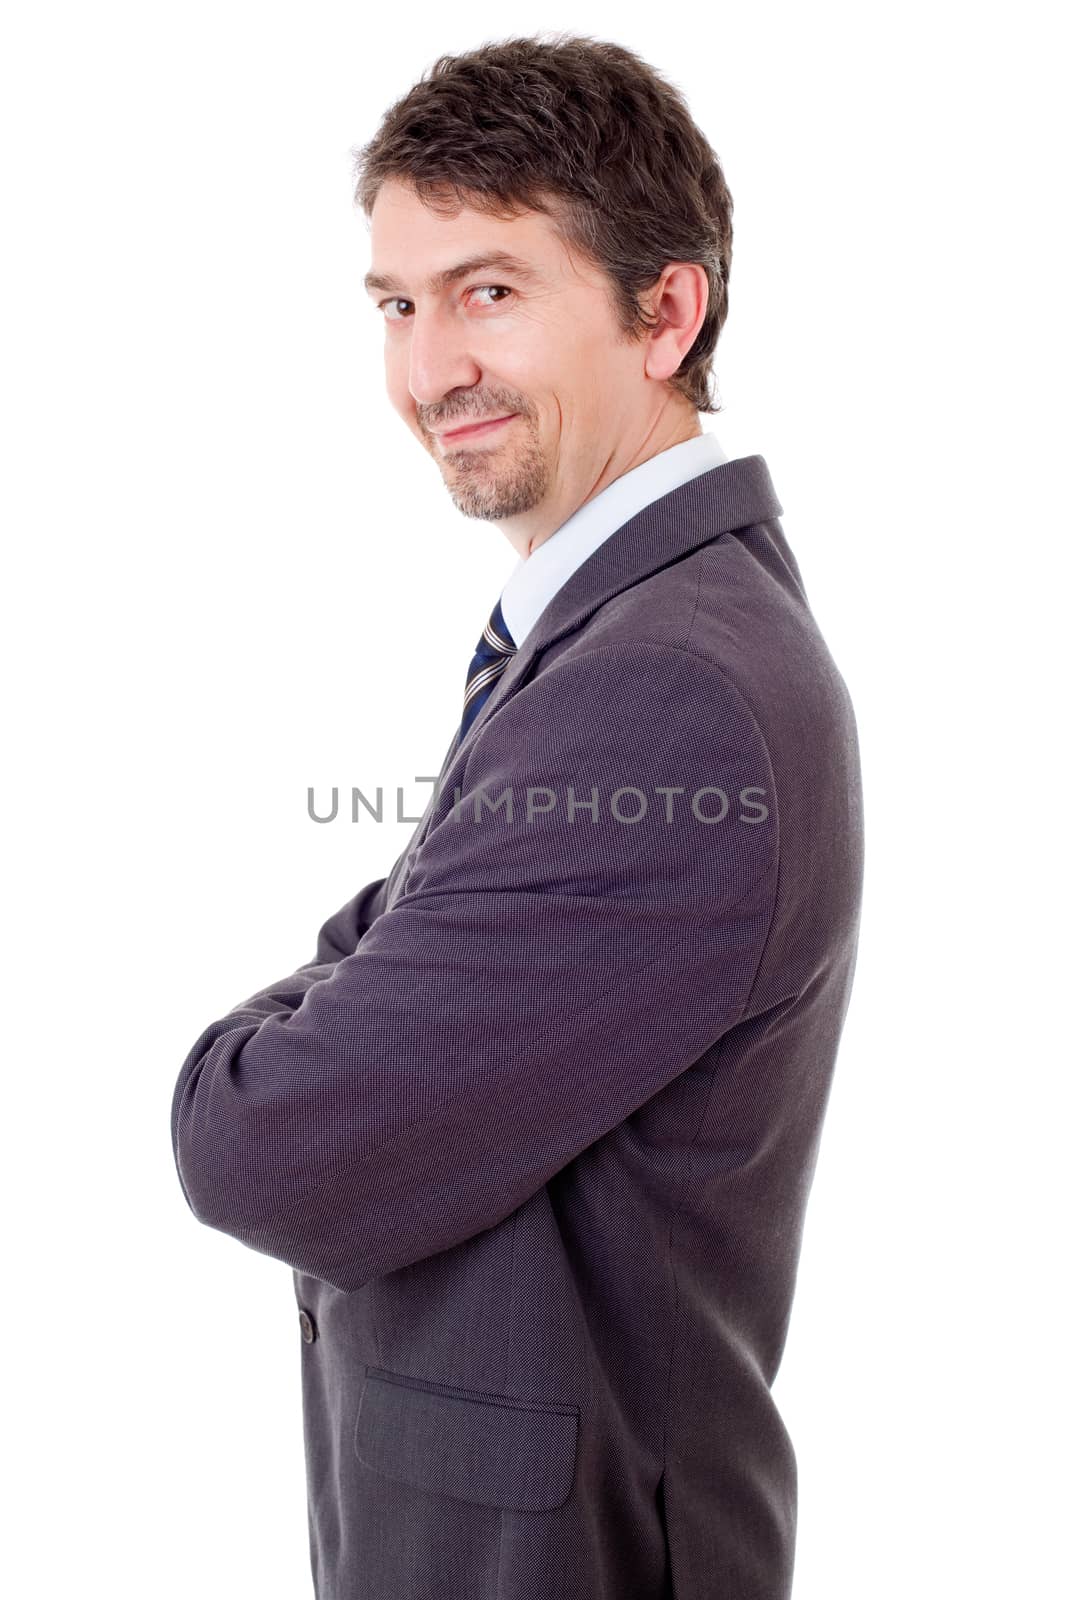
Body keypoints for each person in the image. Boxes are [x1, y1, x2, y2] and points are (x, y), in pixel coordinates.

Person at [170, 32, 864, 1600]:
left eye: (490, 291)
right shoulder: (631, 628)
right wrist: (384, 955)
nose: (428, 371)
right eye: (397, 306)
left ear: (664, 312)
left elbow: (262, 1144)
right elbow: (409, 945)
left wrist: (309, 1003)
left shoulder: (673, 687)